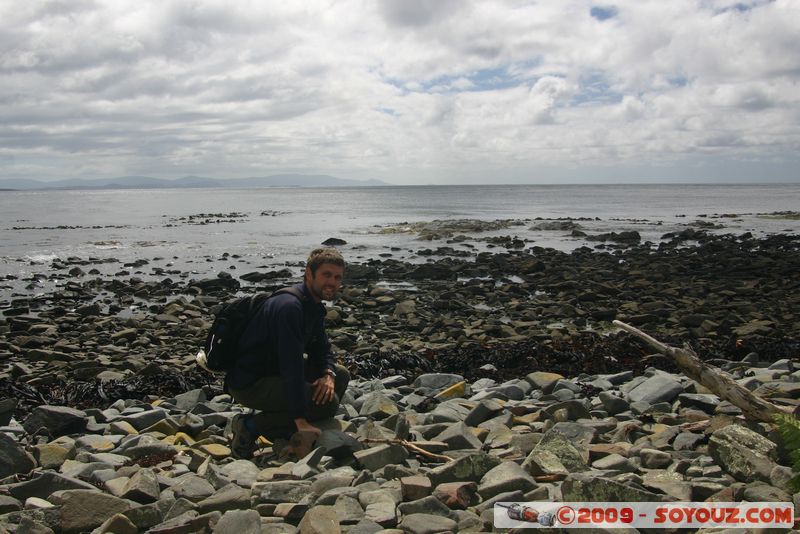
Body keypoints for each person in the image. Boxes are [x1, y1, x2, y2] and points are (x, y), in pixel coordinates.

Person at [226, 247, 350, 459]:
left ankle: (286, 422)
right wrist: (301, 421)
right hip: (251, 383)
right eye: (326, 275)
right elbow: (290, 366)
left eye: (337, 277)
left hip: (274, 372)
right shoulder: (290, 308)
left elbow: (322, 349)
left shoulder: (313, 305)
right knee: (328, 404)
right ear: (309, 274)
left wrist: (328, 374)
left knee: (341, 376)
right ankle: (249, 426)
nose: (332, 282)